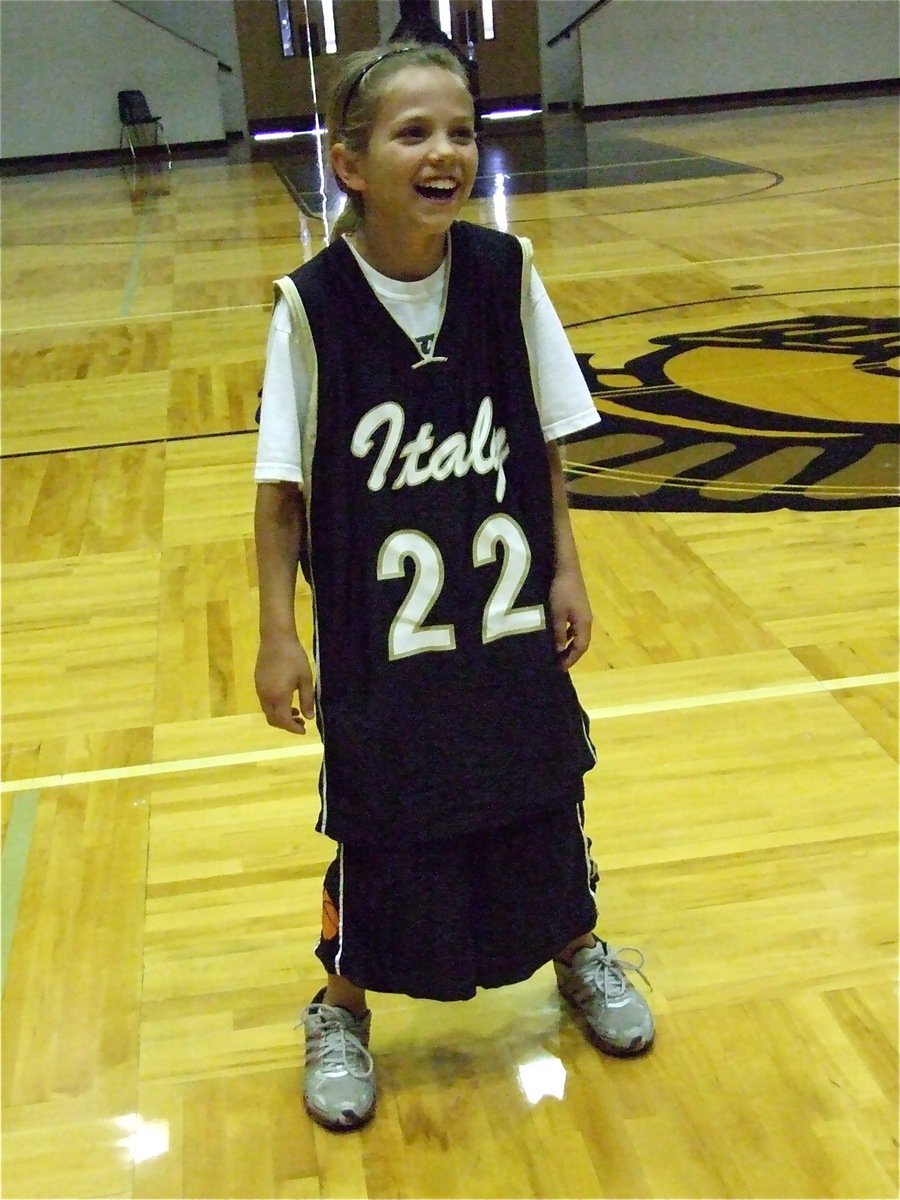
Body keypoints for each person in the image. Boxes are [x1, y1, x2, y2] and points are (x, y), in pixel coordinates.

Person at [254, 42, 654, 1133]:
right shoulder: (311, 306)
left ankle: (578, 953)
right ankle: (341, 1007)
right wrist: (277, 636)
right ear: (349, 161)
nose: (445, 153)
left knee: (542, 780)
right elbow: (281, 493)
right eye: (412, 133)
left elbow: (546, 445)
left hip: (510, 617)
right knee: (387, 817)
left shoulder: (507, 275)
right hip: (382, 642)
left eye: (462, 131)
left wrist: (567, 563)